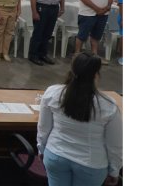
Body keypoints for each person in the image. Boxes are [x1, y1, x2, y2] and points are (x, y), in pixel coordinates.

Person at [37, 53, 123, 186]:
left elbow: (43, 128)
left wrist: (41, 149)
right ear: (96, 74)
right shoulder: (108, 105)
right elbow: (115, 145)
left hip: (55, 155)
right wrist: (114, 170)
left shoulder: (52, 93)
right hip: (91, 164)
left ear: (72, 69)